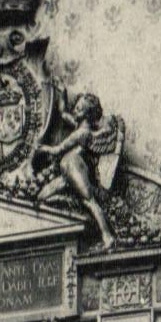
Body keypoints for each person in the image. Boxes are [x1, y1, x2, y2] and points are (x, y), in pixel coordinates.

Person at [32, 92, 123, 249]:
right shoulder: (79, 127)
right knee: (41, 197)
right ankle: (72, 206)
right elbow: (65, 115)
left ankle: (107, 236)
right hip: (66, 171)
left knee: (89, 201)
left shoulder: (82, 133)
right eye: (76, 107)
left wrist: (42, 148)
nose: (75, 110)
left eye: (79, 108)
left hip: (74, 167)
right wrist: (61, 99)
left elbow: (58, 149)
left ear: (87, 114)